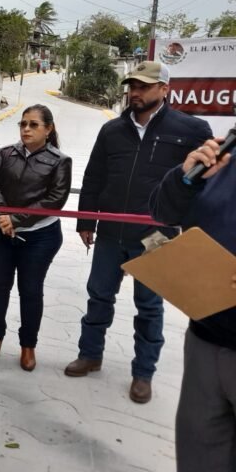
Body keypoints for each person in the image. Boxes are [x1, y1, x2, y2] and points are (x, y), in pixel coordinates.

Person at [65, 61, 213, 403]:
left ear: (164, 89)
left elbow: (205, 181)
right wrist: (87, 221)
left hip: (155, 235)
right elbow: (94, 175)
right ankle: (90, 354)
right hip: (111, 231)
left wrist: (190, 227)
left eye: (144, 86)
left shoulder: (190, 129)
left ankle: (143, 373)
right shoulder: (112, 130)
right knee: (98, 295)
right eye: (132, 85)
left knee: (148, 306)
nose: (135, 92)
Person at [149, 136, 235, 471]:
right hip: (205, 338)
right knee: (198, 456)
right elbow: (162, 211)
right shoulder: (222, 157)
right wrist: (184, 177)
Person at [0, 105, 71, 371]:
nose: (26, 129)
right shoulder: (6, 153)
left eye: (33, 124)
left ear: (48, 129)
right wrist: (2, 216)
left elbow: (55, 199)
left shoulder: (59, 161)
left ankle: (28, 345)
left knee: (30, 291)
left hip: (40, 237)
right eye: (22, 124)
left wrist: (17, 220)